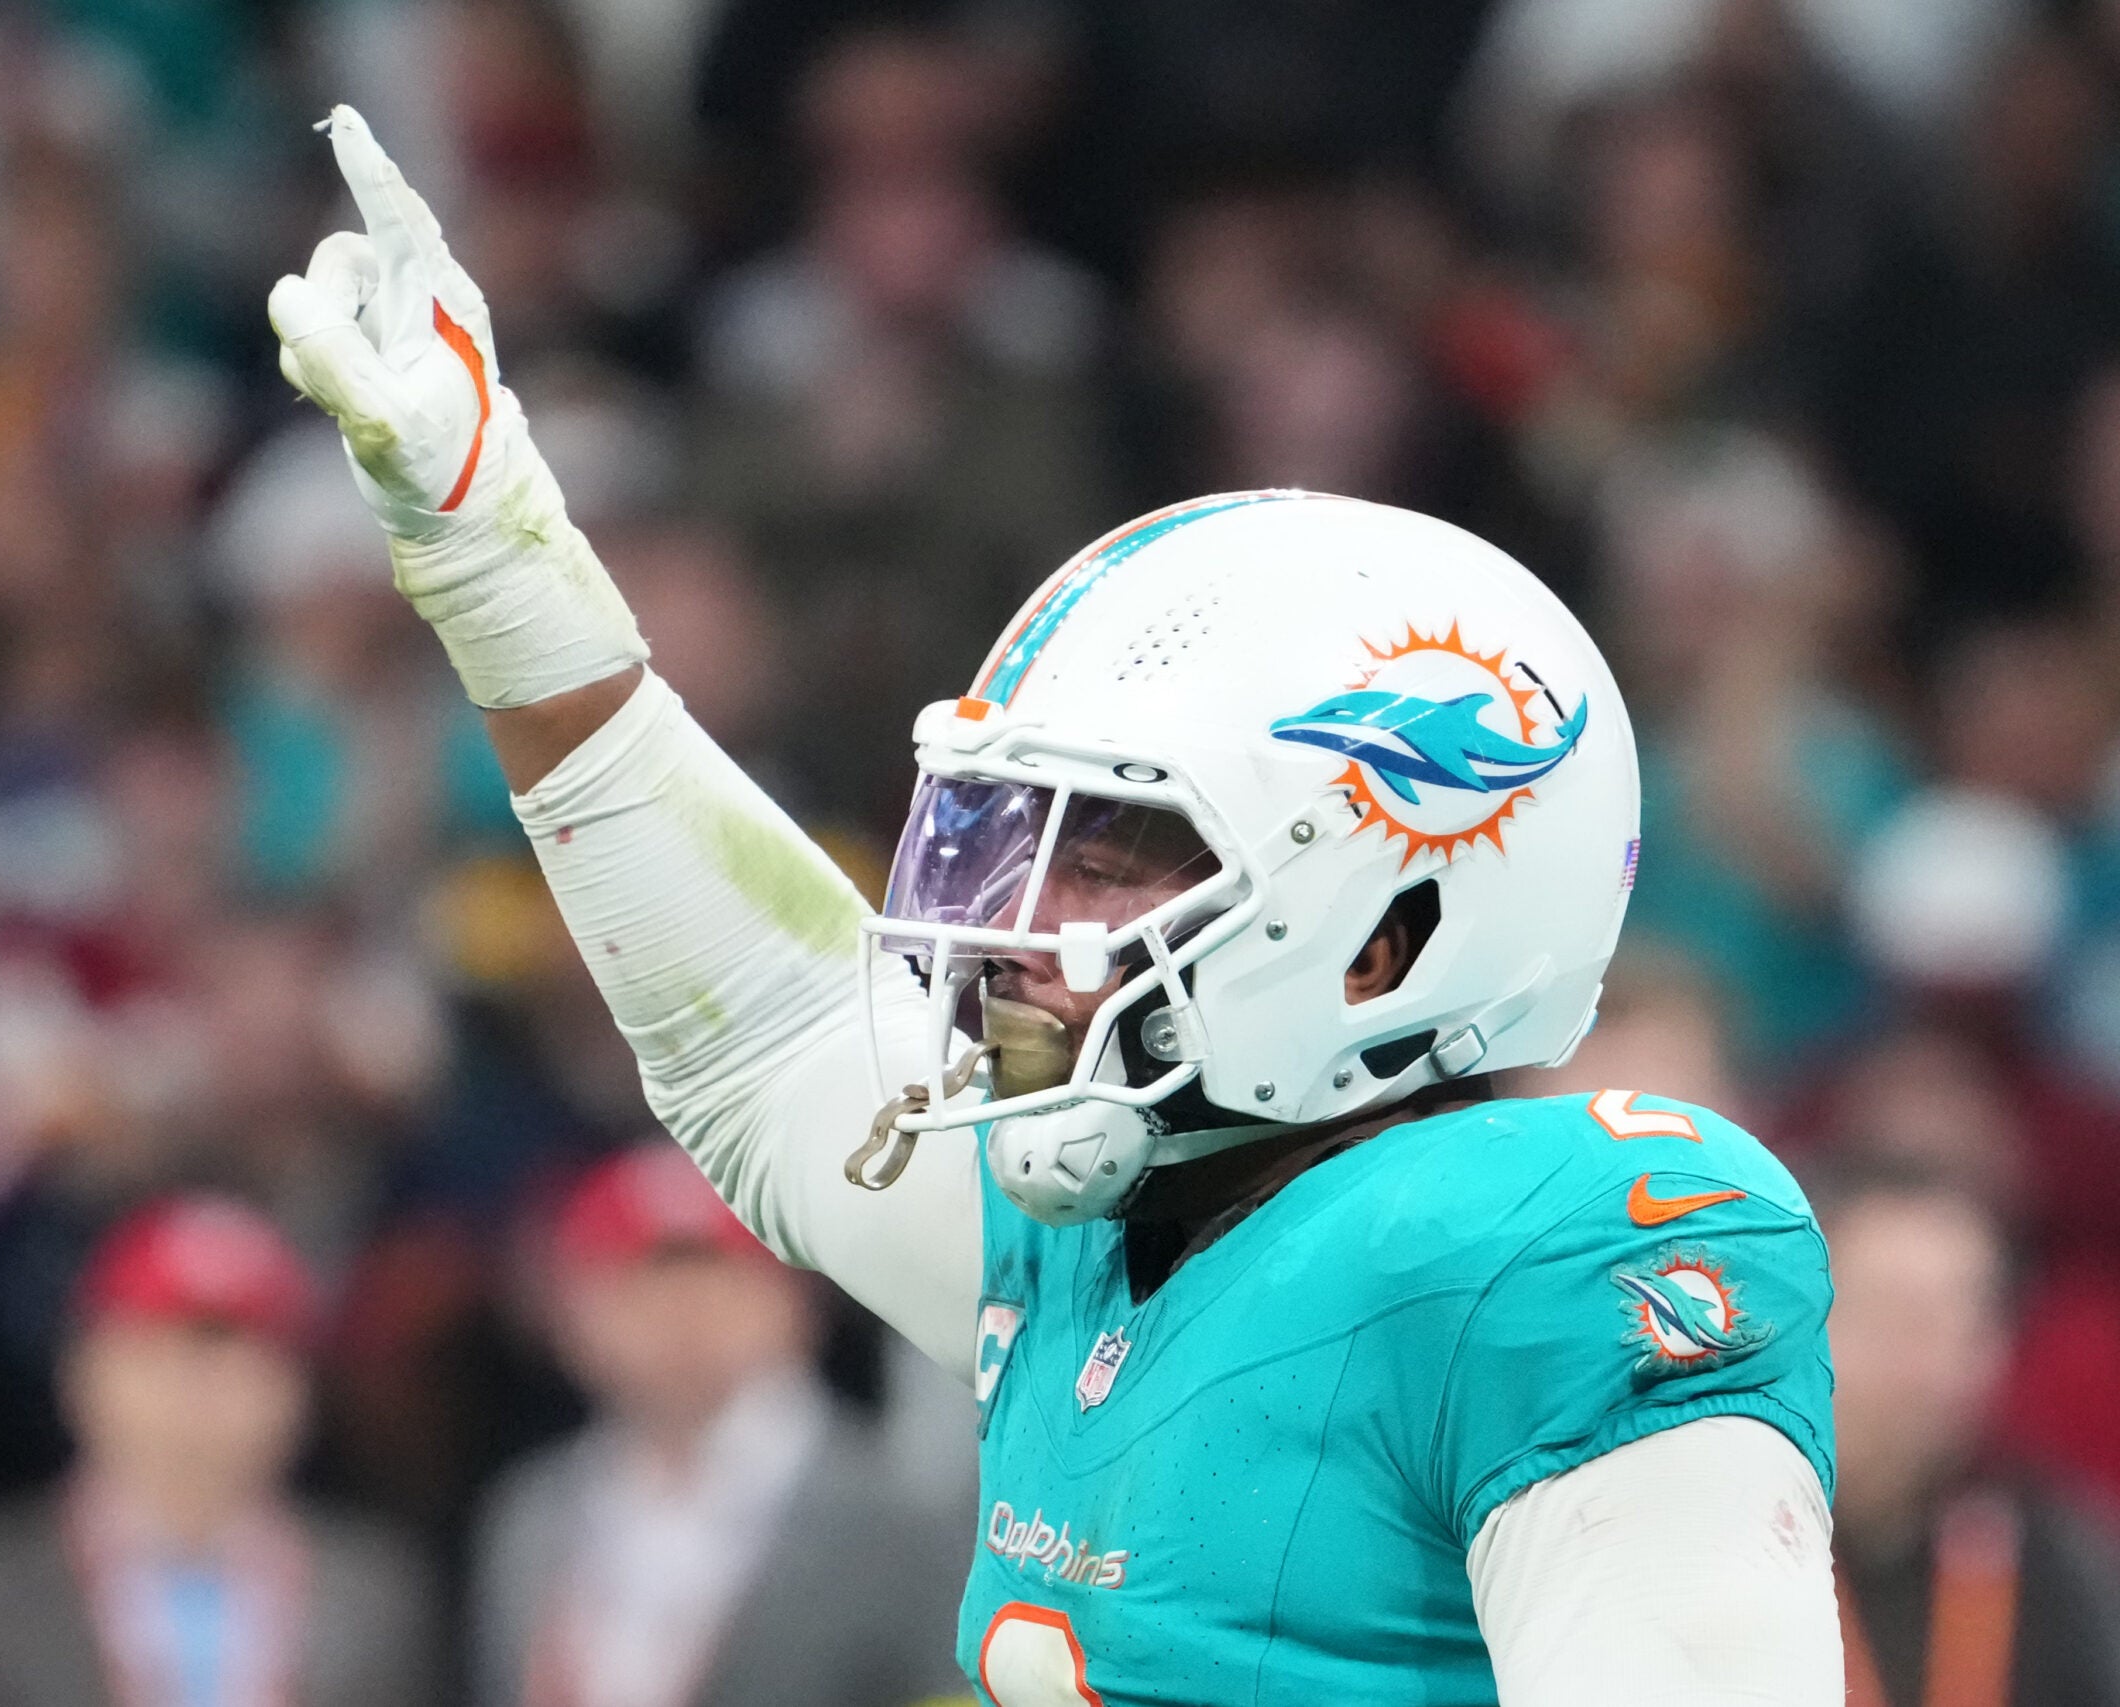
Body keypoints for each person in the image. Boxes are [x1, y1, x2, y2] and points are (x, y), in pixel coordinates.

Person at [267, 108, 1840, 1702]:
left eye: (1106, 852)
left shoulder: (1545, 1252)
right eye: (1010, 839)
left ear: (1387, 936)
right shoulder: (1101, 1241)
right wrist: (488, 551)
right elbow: (773, 1026)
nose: (1016, 920)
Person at [0, 1194, 439, 1707]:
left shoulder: (377, 1593)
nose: (198, 1387)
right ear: (86, 1370)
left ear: (298, 1388)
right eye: (160, 1349)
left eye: (237, 1352)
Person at [471, 1141, 968, 1707]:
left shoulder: (898, 1509)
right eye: (642, 1282)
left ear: (793, 1298)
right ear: (572, 1312)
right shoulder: (530, 1514)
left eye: (720, 1275)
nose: (683, 1314)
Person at [1819, 1159, 2120, 1705]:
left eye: (1958, 1321)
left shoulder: (2056, 1563)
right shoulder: (1723, 1537)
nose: (1923, 1365)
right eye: (1892, 1316)